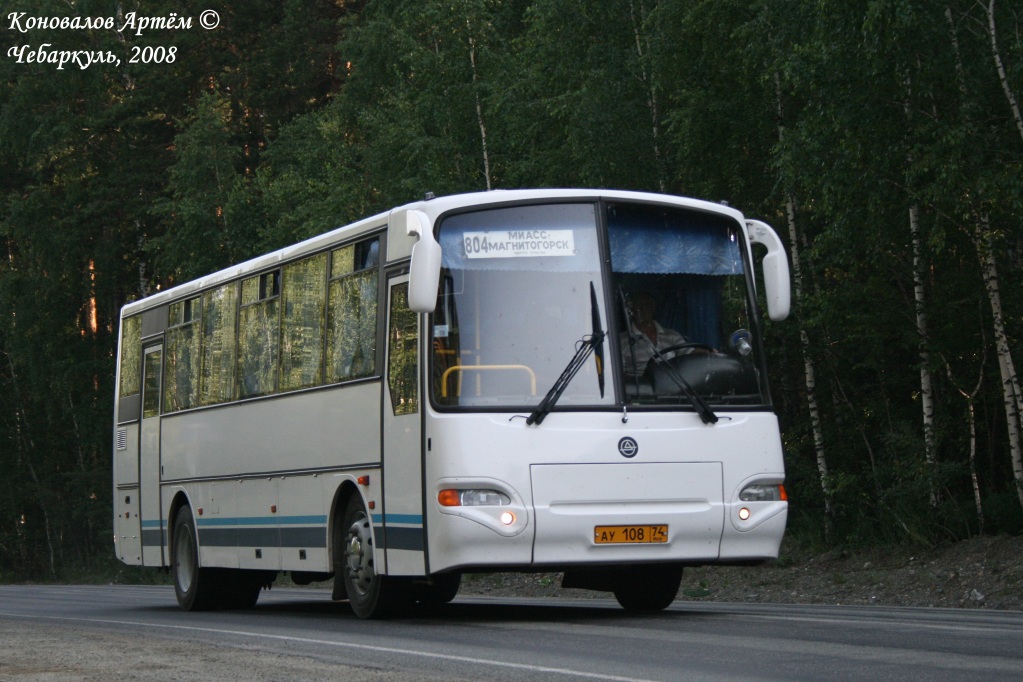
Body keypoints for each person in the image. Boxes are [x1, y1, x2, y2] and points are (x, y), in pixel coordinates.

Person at [620, 291, 688, 377]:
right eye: (639, 306)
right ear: (632, 311)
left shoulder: (672, 336)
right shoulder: (622, 340)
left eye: (647, 306)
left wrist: (707, 354)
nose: (643, 309)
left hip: (673, 387)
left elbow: (689, 353)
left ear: (653, 309)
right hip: (639, 388)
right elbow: (618, 376)